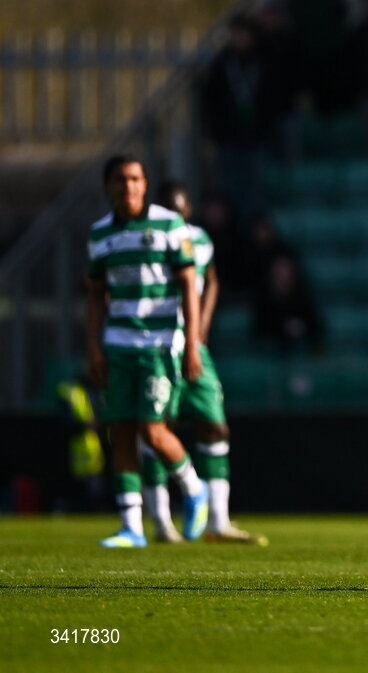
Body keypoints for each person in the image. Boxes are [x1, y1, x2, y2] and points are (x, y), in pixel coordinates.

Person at [86, 155, 209, 548]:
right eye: (122, 179)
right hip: (118, 343)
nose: (130, 186)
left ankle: (193, 488)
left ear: (145, 182)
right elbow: (94, 295)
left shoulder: (169, 225)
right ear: (108, 186)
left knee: (153, 431)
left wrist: (192, 341)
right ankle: (131, 527)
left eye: (137, 178)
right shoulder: (100, 234)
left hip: (158, 345)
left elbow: (189, 283)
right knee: (121, 432)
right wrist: (94, 347)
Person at [138, 181, 268, 545]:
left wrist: (204, 320)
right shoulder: (145, 242)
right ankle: (162, 522)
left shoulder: (199, 240)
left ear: (188, 212)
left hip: (192, 344)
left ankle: (218, 522)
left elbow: (210, 279)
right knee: (154, 429)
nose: (174, 218)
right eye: (167, 210)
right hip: (158, 345)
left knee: (215, 426)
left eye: (179, 210)